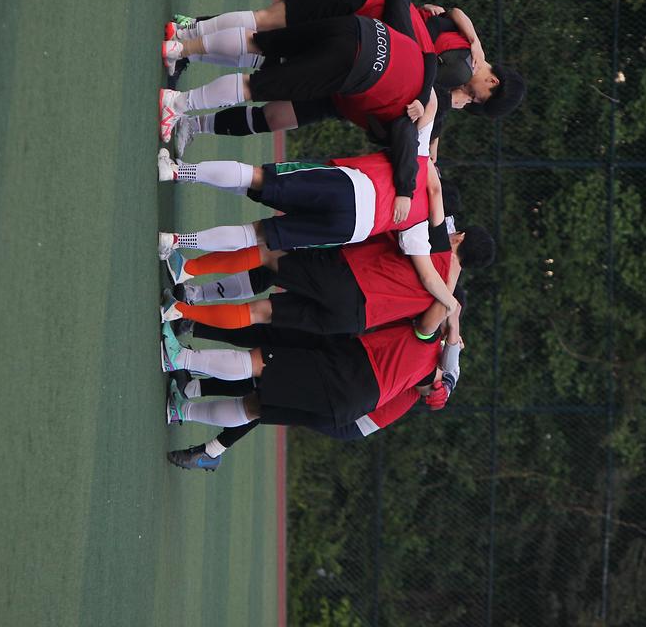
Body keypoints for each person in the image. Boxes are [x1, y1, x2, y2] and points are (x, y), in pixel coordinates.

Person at [161, 0, 525, 158]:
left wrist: (470, 38)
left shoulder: (461, 43)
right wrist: (436, 113)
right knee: (266, 26)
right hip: (360, 10)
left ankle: (187, 5)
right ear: (492, 81)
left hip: (360, 15)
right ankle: (185, 37)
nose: (472, 100)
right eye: (479, 98)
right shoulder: (458, 67)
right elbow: (426, 87)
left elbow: (443, 16)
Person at [157, 0, 437, 191]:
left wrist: (425, 95)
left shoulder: (424, 63)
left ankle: (179, 48)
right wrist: (405, 190)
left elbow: (428, 58)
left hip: (357, 28)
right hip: (350, 61)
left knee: (260, 41)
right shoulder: (406, 118)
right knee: (256, 85)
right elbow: (405, 142)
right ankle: (177, 103)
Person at [159, 297, 462, 471]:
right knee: (261, 399)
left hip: (352, 403)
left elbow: (433, 387)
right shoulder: (430, 349)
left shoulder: (430, 350)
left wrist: (452, 324)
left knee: (264, 377)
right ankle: (186, 408)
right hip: (349, 394)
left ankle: (182, 365)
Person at [155, 110, 442, 256]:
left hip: (353, 188)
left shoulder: (421, 160)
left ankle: (177, 172)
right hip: (352, 229)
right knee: (258, 235)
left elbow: (429, 102)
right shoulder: (422, 223)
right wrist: (451, 306)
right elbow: (427, 272)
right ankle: (175, 242)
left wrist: (428, 157)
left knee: (259, 177)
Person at [158, 220, 493, 334]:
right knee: (262, 313)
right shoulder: (448, 294)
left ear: (460, 236)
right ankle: (178, 311)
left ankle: (187, 269)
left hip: (350, 278)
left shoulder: (437, 243)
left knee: (269, 252)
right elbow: (424, 327)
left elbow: (394, 228)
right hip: (353, 320)